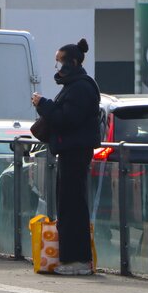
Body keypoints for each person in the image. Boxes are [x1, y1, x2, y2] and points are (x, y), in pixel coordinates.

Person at [33, 38, 100, 276]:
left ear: (72, 62)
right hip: (70, 151)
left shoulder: (81, 87)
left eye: (60, 62)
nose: (57, 68)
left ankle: (77, 260)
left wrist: (44, 105)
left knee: (72, 207)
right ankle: (72, 258)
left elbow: (68, 118)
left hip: (75, 151)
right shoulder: (74, 86)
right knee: (69, 205)